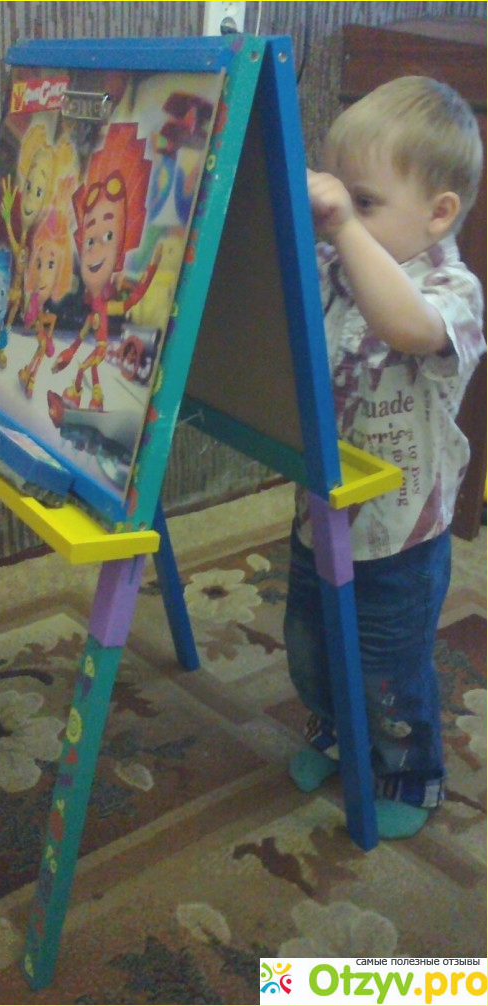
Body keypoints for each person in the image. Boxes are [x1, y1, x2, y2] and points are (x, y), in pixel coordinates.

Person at [284, 76, 485, 839]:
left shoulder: (454, 290)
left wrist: (343, 229)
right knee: (310, 644)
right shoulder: (335, 262)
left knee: (388, 672)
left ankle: (410, 772)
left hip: (402, 536)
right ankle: (335, 731)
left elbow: (407, 328)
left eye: (363, 202)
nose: (340, 216)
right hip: (321, 510)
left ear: (439, 213)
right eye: (338, 196)